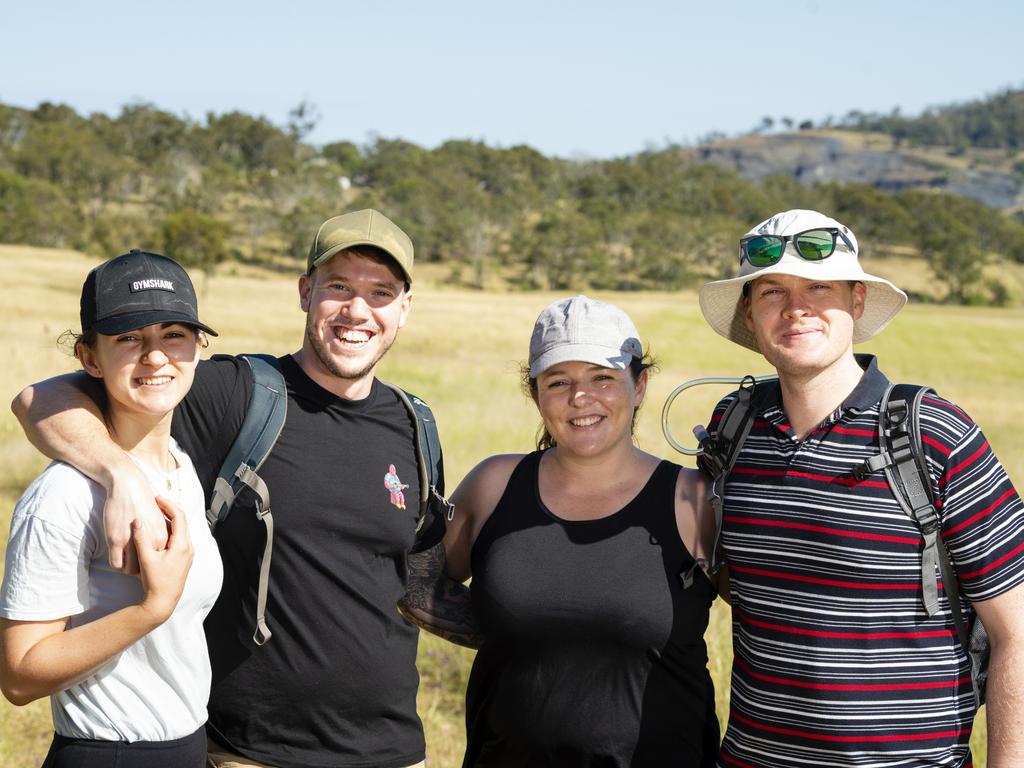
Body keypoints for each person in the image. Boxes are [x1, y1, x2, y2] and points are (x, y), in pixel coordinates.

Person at [11, 210, 460, 768]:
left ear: (405, 307)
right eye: (338, 287)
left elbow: (416, 566)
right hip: (249, 752)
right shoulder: (236, 396)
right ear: (305, 292)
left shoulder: (416, 425)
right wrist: (118, 472)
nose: (357, 311)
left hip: (394, 752)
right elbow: (41, 400)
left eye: (381, 292)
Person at [697, 208, 1024, 766]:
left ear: (855, 303)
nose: (795, 308)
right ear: (750, 315)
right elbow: (745, 582)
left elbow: (1015, 632)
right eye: (771, 291)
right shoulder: (734, 428)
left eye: (818, 286)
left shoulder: (933, 434)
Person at [441, 295, 720, 766]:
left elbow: (773, 617)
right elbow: (418, 582)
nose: (580, 398)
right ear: (536, 394)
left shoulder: (695, 499)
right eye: (558, 381)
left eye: (603, 378)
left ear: (640, 385)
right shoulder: (492, 486)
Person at [0, 250, 223, 767]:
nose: (156, 357)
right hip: (109, 753)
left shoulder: (181, 465)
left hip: (187, 747)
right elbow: (18, 675)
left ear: (197, 347)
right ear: (90, 357)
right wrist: (151, 609)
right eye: (128, 337)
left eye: (173, 334)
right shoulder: (64, 495)